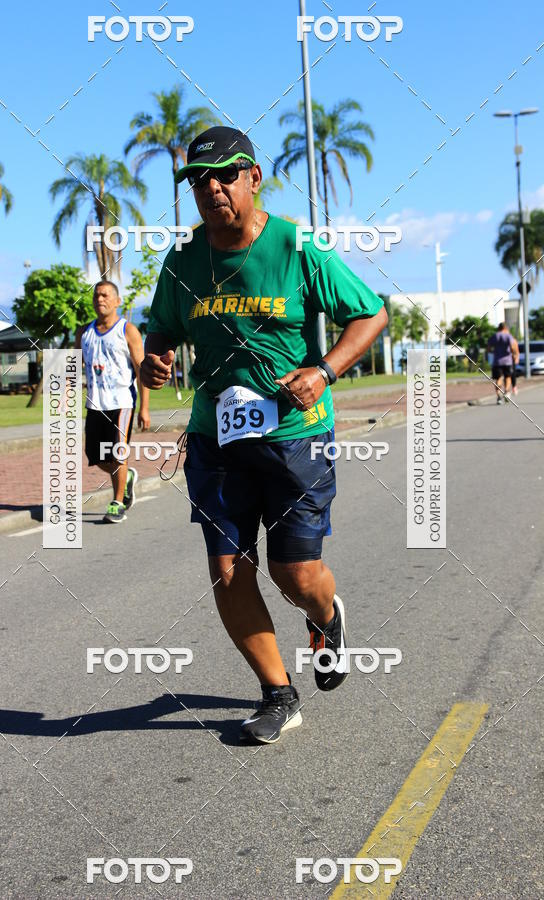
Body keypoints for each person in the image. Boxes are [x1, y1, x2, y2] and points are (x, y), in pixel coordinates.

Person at [141, 126, 387, 743]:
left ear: (254, 177)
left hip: (296, 435)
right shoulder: (183, 259)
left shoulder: (297, 246)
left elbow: (371, 311)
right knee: (228, 569)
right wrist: (155, 359)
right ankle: (278, 692)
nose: (211, 188)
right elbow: (161, 330)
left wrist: (325, 370)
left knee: (294, 574)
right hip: (215, 439)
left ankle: (327, 618)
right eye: (199, 179)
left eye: (225, 174)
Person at [76, 281, 150, 523]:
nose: (100, 299)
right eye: (97, 295)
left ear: (117, 301)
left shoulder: (127, 330)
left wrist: (145, 408)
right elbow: (74, 368)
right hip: (95, 404)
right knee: (97, 456)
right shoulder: (84, 332)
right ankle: (126, 476)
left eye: (106, 295)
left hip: (122, 403)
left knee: (118, 452)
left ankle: (117, 503)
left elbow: (142, 371)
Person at [487, 322, 519, 404]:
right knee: (508, 377)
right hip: (507, 361)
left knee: (498, 379)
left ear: (499, 328)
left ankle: (498, 397)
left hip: (497, 361)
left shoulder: (495, 336)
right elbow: (512, 347)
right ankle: (507, 392)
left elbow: (489, 348)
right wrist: (514, 353)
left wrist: (494, 351)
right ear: (506, 328)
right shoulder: (508, 336)